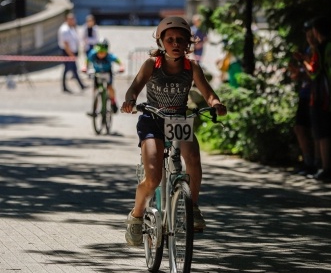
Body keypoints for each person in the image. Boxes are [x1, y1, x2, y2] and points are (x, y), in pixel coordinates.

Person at [121, 16, 227, 246]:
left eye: (181, 39)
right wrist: (130, 100)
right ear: (161, 41)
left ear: (189, 42)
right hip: (153, 120)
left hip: (178, 120)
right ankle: (136, 216)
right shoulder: (152, 64)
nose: (175, 43)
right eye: (170, 39)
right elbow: (134, 88)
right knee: (153, 177)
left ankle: (194, 207)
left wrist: (216, 103)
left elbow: (208, 92)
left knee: (193, 160)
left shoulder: (192, 67)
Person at [303, 16, 331, 181]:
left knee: (321, 133)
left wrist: (305, 61)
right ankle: (324, 165)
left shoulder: (320, 49)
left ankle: (325, 167)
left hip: (320, 96)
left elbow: (313, 72)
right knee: (326, 132)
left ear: (316, 31)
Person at [290, 20, 319, 175]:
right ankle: (308, 161)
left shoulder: (317, 50)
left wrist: (303, 61)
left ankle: (316, 163)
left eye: (311, 34)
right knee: (300, 128)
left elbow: (314, 73)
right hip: (304, 93)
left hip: (315, 94)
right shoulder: (309, 49)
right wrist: (297, 72)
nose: (309, 38)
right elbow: (305, 73)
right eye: (307, 35)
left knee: (314, 130)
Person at [82, 38, 125, 114]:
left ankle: (113, 102)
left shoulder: (110, 56)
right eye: (99, 52)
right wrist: (84, 67)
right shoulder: (93, 54)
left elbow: (119, 62)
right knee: (95, 89)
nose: (100, 54)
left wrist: (121, 67)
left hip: (107, 73)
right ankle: (94, 109)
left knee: (110, 87)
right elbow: (86, 61)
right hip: (97, 73)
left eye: (102, 52)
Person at [57, 12, 87, 93]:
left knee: (73, 69)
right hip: (68, 53)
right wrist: (71, 55)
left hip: (72, 52)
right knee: (67, 70)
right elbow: (66, 44)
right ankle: (65, 86)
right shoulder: (65, 30)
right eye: (71, 19)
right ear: (67, 20)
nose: (73, 20)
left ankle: (81, 85)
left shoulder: (71, 28)